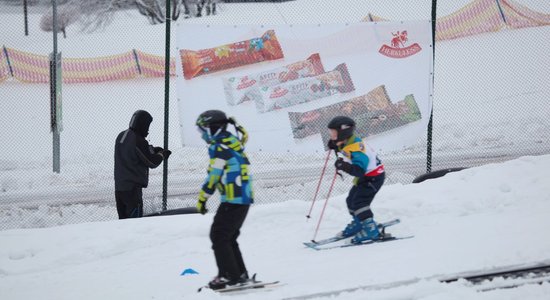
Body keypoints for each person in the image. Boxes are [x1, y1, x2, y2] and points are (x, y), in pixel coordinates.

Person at [195, 109, 254, 290]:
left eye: (203, 130)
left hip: (232, 199)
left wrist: (202, 199)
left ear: (214, 128)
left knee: (219, 236)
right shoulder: (232, 140)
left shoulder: (219, 147)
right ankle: (239, 273)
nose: (202, 135)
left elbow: (214, 176)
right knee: (228, 237)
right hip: (243, 198)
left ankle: (229, 276)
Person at [327, 116, 385, 244]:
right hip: (366, 177)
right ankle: (360, 223)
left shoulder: (356, 148)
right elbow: (346, 150)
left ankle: (371, 229)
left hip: (373, 177)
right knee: (351, 200)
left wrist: (344, 166)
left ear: (343, 132)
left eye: (333, 133)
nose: (331, 135)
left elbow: (359, 170)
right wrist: (336, 146)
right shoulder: (348, 142)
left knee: (360, 202)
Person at [114, 110, 171, 219]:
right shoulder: (137, 139)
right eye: (147, 126)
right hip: (132, 190)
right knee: (134, 222)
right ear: (142, 124)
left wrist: (153, 150)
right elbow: (151, 162)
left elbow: (134, 152)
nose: (148, 130)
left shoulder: (122, 135)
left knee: (122, 222)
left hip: (119, 188)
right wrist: (162, 155)